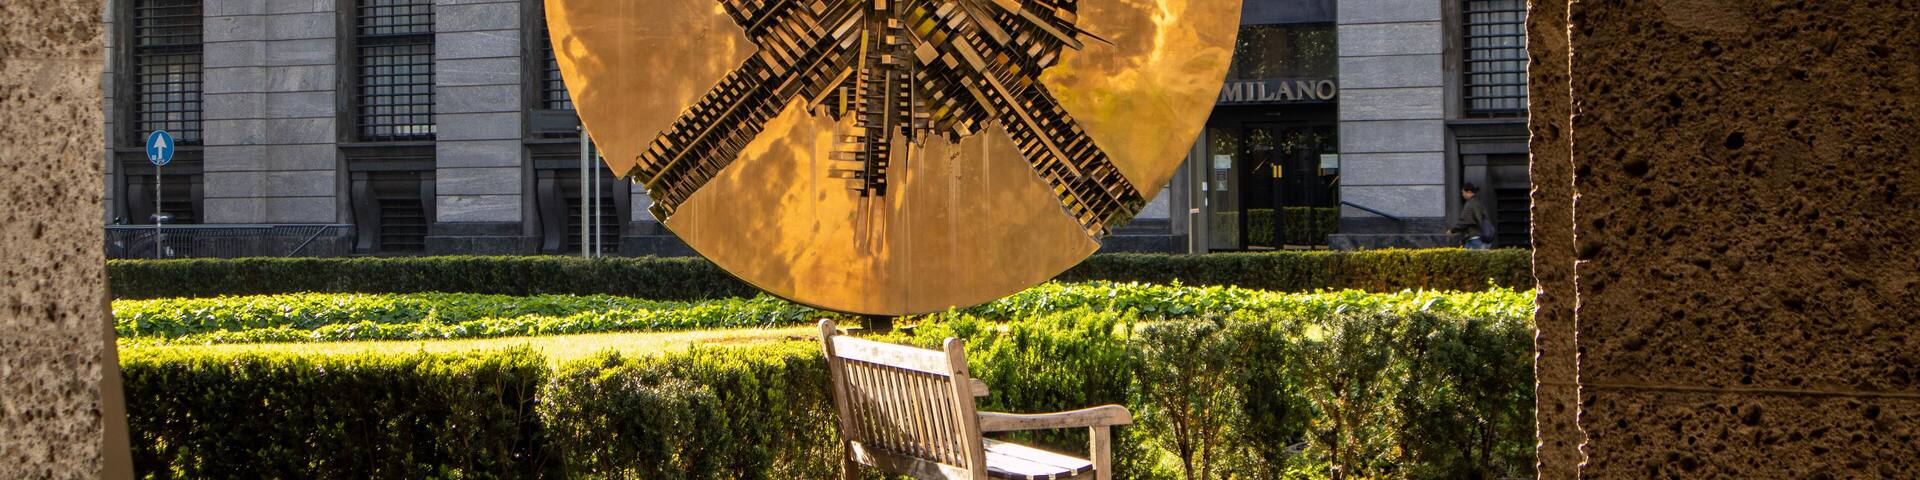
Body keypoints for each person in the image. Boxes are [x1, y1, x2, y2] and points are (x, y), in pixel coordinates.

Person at [1450, 183, 1496, 249]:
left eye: (1463, 193)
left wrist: (1452, 231)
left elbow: (1464, 221)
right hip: (1483, 238)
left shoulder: (1470, 204)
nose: (1462, 195)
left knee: (1467, 258)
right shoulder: (1479, 202)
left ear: (1469, 192)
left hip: (1474, 240)